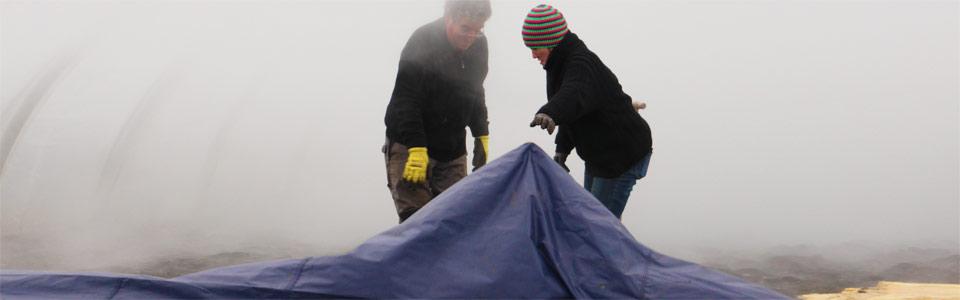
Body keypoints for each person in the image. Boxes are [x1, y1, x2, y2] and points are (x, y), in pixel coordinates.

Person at [524, 4, 653, 219]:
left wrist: (550, 112)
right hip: (600, 154)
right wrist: (562, 149)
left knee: (598, 227)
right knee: (591, 222)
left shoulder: (580, 63)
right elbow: (574, 112)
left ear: (550, 41)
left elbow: (573, 95)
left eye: (535, 47)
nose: (533, 55)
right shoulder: (560, 63)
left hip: (620, 155)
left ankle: (611, 253)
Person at [383, 0, 492, 223]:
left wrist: (481, 133)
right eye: (465, 28)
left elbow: (475, 89)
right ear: (448, 17)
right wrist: (416, 147)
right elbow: (406, 98)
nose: (471, 36)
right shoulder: (422, 42)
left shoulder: (479, 45)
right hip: (409, 144)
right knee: (418, 223)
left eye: (478, 30)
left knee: (453, 221)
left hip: (451, 148)